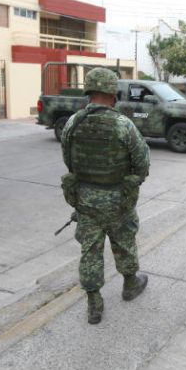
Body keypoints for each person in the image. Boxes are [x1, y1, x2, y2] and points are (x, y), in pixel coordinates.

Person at [60, 67, 151, 324]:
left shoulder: (72, 123)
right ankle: (130, 284)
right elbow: (142, 164)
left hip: (86, 202)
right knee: (123, 243)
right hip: (119, 201)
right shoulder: (124, 125)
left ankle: (94, 304)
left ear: (89, 92)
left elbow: (69, 162)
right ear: (113, 94)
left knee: (90, 251)